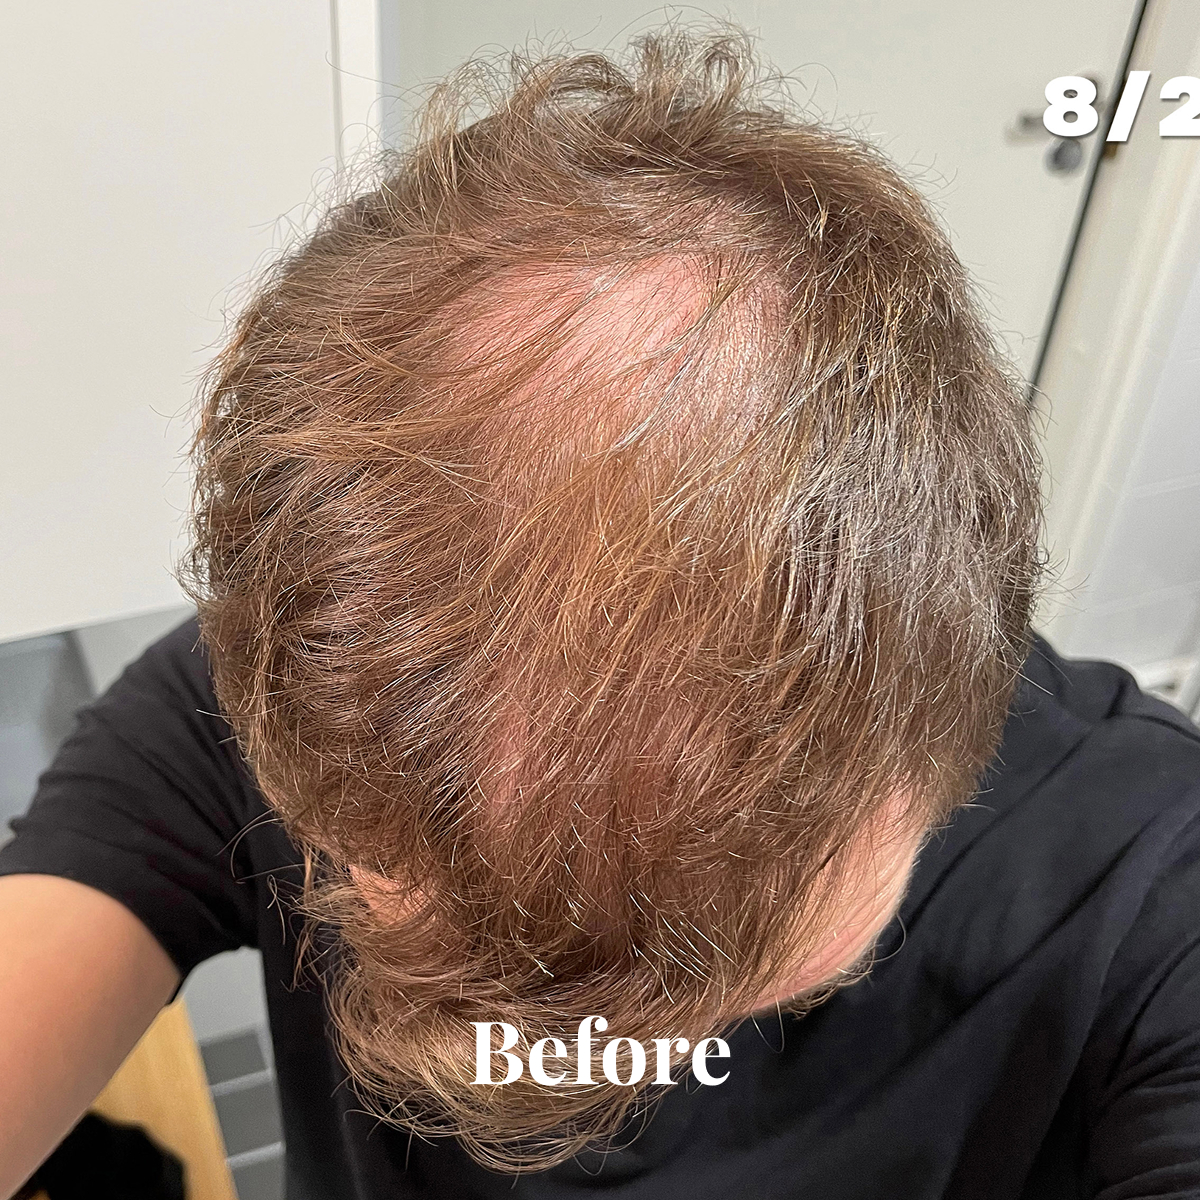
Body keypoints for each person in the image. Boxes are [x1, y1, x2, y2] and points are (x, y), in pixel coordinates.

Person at [1, 28, 1198, 1200]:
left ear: (917, 755)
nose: (554, 1064)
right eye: (413, 919)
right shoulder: (303, 687)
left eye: (670, 973)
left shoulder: (1155, 901)